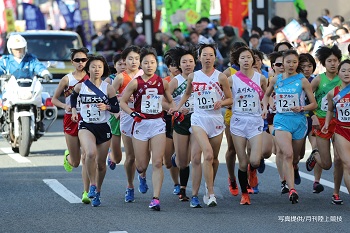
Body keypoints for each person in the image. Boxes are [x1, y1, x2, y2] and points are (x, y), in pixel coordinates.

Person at [170, 44, 233, 207]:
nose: (207, 58)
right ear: (200, 58)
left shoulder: (221, 77)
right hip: (198, 119)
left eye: (211, 55)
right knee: (206, 155)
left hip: (216, 121)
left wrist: (221, 102)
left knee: (213, 160)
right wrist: (177, 108)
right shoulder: (193, 76)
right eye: (204, 55)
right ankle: (206, 194)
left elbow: (230, 98)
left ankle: (208, 182)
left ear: (215, 58)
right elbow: (187, 94)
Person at [119, 46, 176, 211]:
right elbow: (122, 102)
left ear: (156, 64)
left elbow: (169, 100)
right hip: (141, 124)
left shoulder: (162, 82)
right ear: (141, 65)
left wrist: (173, 109)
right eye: (146, 63)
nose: (149, 65)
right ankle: (141, 175)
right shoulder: (135, 82)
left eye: (152, 62)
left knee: (158, 162)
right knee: (142, 165)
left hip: (157, 124)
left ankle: (156, 198)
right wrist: (132, 114)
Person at [262, 50, 317, 204]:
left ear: (297, 63)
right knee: (287, 153)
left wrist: (302, 108)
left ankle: (293, 171)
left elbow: (313, 104)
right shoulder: (275, 80)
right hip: (281, 121)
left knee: (296, 157)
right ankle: (291, 189)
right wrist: (267, 107)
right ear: (283, 63)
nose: (291, 65)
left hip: (299, 121)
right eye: (288, 62)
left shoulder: (303, 81)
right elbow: (266, 95)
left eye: (294, 62)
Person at [70, 55, 120, 207]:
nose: (97, 69)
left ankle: (98, 190)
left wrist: (107, 107)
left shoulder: (108, 88)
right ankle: (92, 185)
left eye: (100, 66)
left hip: (103, 127)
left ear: (104, 69)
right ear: (88, 69)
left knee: (101, 164)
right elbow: (73, 98)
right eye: (93, 66)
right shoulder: (81, 86)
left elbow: (116, 107)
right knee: (90, 153)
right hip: (86, 125)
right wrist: (73, 110)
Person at [51, 47, 90, 204]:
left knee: (87, 156)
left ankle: (86, 191)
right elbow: (54, 99)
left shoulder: (92, 78)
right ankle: (69, 156)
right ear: (72, 62)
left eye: (83, 60)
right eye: (77, 60)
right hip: (71, 119)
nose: (81, 63)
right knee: (75, 162)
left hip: (88, 119)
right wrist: (64, 106)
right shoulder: (67, 79)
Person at [229, 46, 267, 205]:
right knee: (242, 162)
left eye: (248, 57)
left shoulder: (261, 79)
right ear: (237, 61)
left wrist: (265, 108)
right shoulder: (231, 79)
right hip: (238, 121)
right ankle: (245, 194)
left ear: (254, 60)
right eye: (242, 58)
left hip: (255, 121)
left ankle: (253, 171)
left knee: (255, 161)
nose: (246, 61)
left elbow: (267, 96)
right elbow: (225, 96)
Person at [306, 45, 344, 204]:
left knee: (339, 160)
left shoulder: (343, 78)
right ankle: (315, 154)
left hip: (339, 122)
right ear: (323, 63)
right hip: (321, 122)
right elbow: (307, 97)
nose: (333, 64)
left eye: (335, 60)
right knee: (327, 164)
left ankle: (336, 192)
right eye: (329, 61)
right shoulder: (318, 79)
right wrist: (311, 115)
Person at [111, 46, 148, 203]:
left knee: (144, 155)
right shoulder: (121, 77)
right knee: (131, 156)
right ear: (124, 60)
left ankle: (142, 174)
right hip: (127, 117)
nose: (134, 62)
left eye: (136, 59)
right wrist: (119, 107)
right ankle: (130, 186)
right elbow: (110, 97)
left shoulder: (146, 74)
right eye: (130, 59)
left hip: (145, 117)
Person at [165, 46, 197, 202]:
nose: (188, 64)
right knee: (182, 161)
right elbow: (162, 101)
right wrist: (174, 110)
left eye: (191, 61)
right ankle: (176, 157)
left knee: (192, 158)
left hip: (198, 120)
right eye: (184, 62)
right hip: (181, 121)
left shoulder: (200, 77)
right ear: (179, 64)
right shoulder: (175, 81)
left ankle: (183, 189)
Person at [322, 59, 350, 195]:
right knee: (347, 164)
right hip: (341, 131)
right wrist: (327, 123)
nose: (347, 73)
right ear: (338, 73)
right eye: (343, 70)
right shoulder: (333, 93)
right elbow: (330, 110)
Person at [162, 52, 180, 195]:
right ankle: (176, 183)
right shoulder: (165, 82)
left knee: (183, 156)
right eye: (173, 65)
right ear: (168, 67)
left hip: (186, 119)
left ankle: (182, 185)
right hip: (167, 120)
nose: (176, 67)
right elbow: (159, 102)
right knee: (168, 161)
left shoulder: (191, 79)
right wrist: (172, 109)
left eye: (178, 64)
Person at [105, 54, 126, 171]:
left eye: (125, 64)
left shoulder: (133, 78)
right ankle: (111, 154)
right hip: (114, 117)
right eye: (120, 64)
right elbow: (105, 100)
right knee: (117, 158)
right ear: (115, 66)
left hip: (130, 116)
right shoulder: (110, 80)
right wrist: (114, 113)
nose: (123, 66)